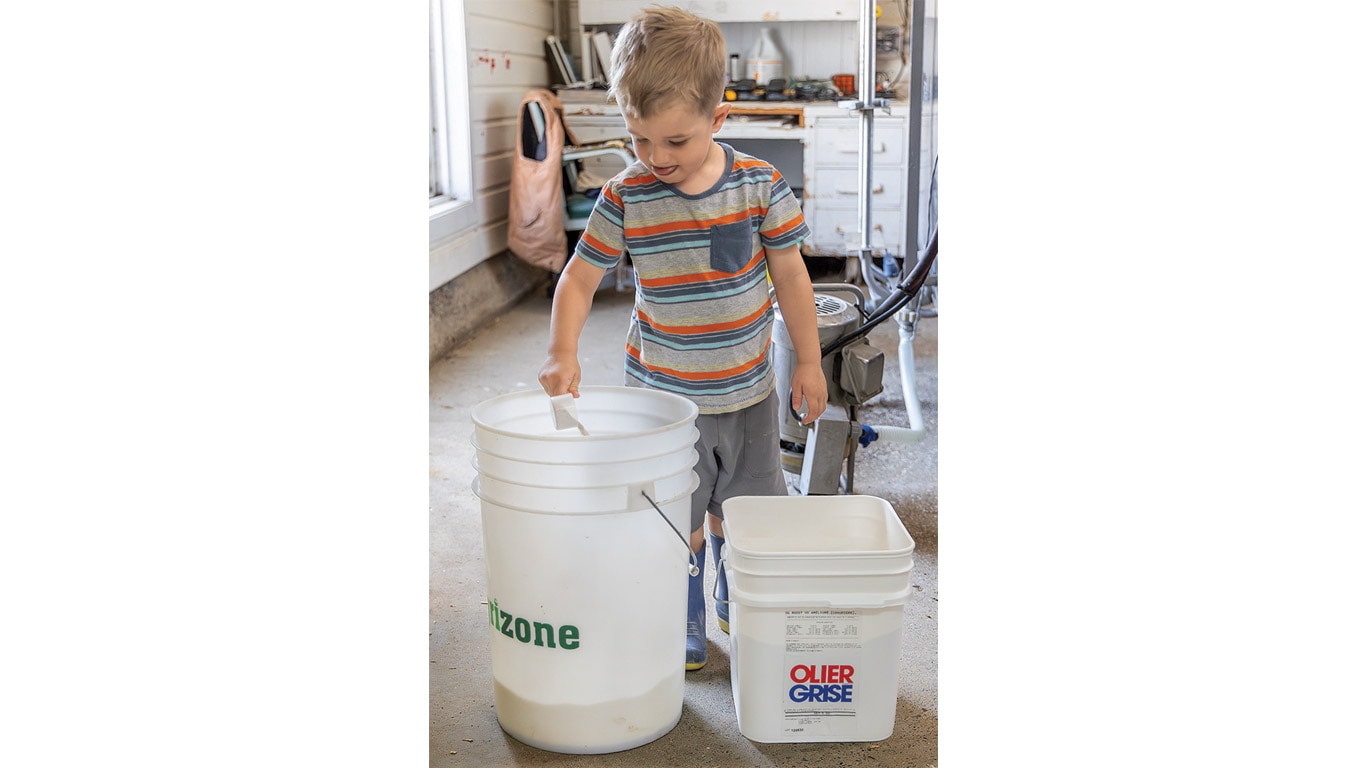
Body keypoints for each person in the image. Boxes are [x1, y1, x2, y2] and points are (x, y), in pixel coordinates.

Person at [537, 5, 827, 671]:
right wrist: (563, 349)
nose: (656, 158)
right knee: (678, 523)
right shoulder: (627, 196)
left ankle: (733, 596)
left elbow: (791, 276)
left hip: (751, 395)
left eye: (676, 141)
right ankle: (685, 620)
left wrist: (807, 361)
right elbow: (580, 278)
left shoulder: (759, 187)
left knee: (748, 516)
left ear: (717, 120)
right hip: (666, 407)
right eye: (639, 140)